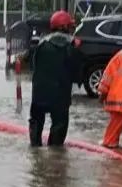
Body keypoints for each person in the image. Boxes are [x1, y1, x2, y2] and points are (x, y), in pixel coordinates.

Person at [29, 10, 83, 147]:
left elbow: (32, 66)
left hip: (39, 94)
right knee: (59, 126)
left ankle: (35, 153)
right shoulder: (71, 46)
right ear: (65, 27)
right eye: (70, 26)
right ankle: (55, 159)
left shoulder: (40, 45)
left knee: (35, 121)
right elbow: (77, 73)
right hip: (60, 95)